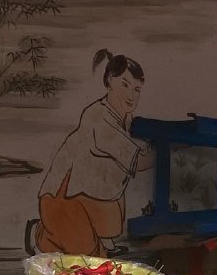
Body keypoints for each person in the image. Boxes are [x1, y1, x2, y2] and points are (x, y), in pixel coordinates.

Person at [30, 50, 154, 257]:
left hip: (91, 200)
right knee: (91, 264)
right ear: (109, 82)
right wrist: (175, 147)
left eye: (137, 89)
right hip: (64, 198)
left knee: (108, 229)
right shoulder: (97, 117)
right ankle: (44, 233)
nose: (131, 95)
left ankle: (47, 234)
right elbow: (139, 161)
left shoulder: (125, 118)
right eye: (124, 85)